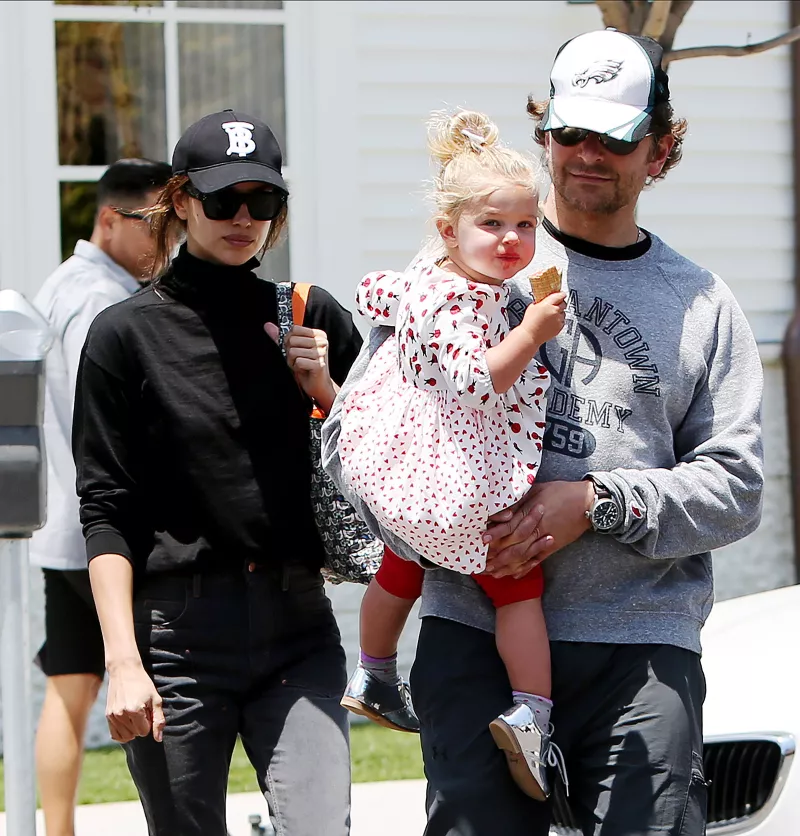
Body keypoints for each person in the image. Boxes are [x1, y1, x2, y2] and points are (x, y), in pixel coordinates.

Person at [323, 29, 764, 835]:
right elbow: (354, 437)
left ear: (660, 150)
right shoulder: (459, 262)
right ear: (544, 131)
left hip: (641, 646)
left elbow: (736, 488)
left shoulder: (704, 303)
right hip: (472, 629)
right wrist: (435, 518)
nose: (587, 153)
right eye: (569, 132)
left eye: (616, 137)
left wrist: (593, 501)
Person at [72, 110, 362, 836]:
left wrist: (327, 394)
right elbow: (104, 510)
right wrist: (124, 662)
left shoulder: (312, 317)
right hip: (177, 640)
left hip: (298, 627)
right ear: (179, 200)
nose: (242, 217)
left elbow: (394, 462)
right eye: (221, 198)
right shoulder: (124, 335)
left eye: (260, 201)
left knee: (321, 826)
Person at [336, 110, 566, 800]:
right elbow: (475, 379)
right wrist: (530, 330)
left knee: (402, 560)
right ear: (448, 230)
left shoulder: (427, 278)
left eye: (525, 225)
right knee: (516, 581)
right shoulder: (461, 299)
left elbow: (371, 290)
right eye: (492, 225)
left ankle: (374, 670)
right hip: (458, 478)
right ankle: (533, 712)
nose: (511, 240)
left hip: (410, 472)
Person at [30, 157, 171, 836]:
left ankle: (55, 831)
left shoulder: (62, 283)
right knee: (149, 688)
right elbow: (120, 412)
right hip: (104, 533)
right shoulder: (99, 300)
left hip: (63, 528)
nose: (166, 242)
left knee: (72, 686)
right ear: (110, 219)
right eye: (156, 225)